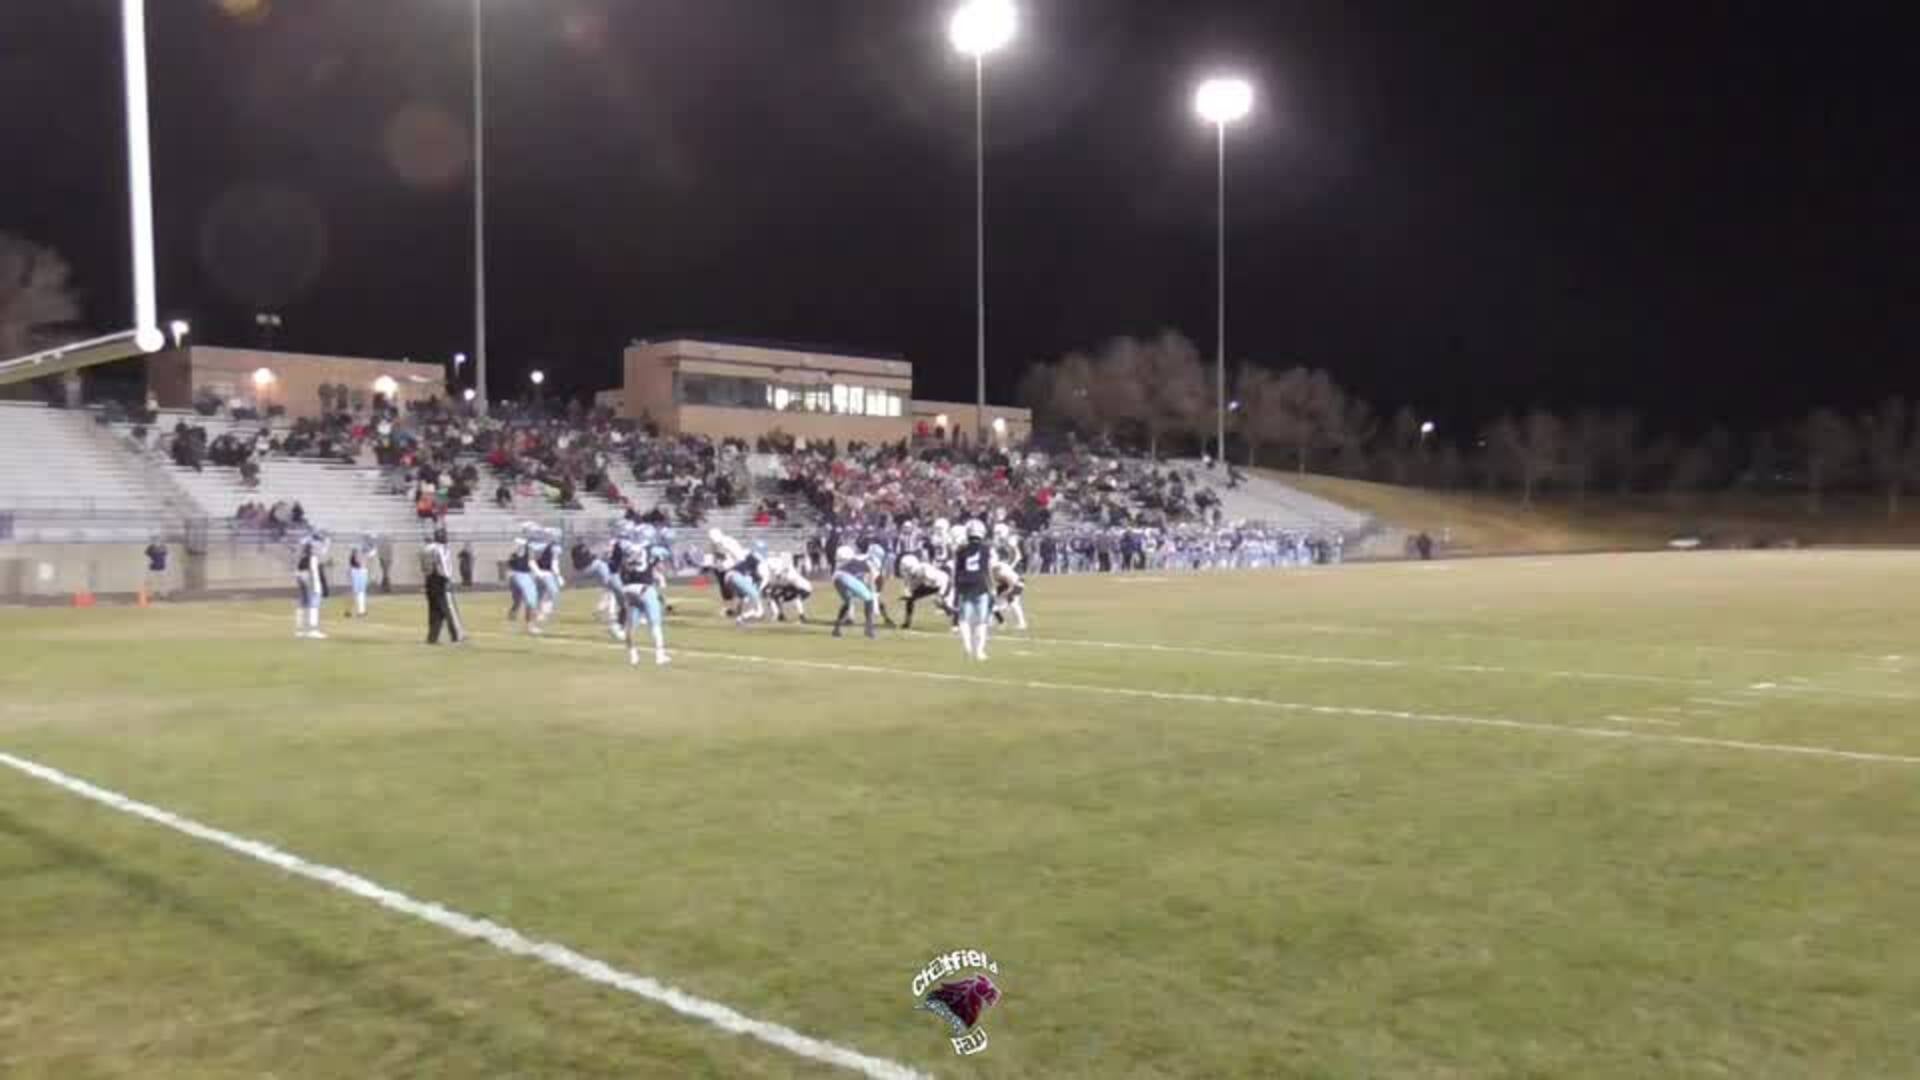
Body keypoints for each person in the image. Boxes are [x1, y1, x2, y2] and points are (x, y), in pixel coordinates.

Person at [617, 537, 673, 667]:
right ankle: (659, 655)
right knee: (655, 623)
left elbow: (621, 575)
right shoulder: (648, 554)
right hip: (645, 589)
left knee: (630, 627)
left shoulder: (625, 560)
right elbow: (660, 564)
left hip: (628, 591)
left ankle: (633, 656)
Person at [952, 520, 994, 661]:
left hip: (965, 585)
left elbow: (956, 571)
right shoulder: (986, 549)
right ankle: (979, 651)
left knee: (964, 619)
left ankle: (967, 647)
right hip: (981, 585)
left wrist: (956, 588)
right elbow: (987, 569)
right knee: (981, 621)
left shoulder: (960, 550)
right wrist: (992, 586)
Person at [419, 527, 465, 645]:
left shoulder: (426, 548)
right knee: (448, 609)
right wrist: (448, 578)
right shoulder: (442, 549)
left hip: (429, 580)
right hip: (440, 580)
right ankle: (456, 636)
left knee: (434, 610)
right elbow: (445, 565)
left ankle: (432, 638)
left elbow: (423, 566)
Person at [830, 544, 879, 640]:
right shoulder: (868, 563)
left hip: (836, 577)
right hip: (845, 576)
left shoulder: (855, 561)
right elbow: (870, 582)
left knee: (848, 602)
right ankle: (869, 628)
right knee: (869, 598)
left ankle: (836, 629)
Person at [896, 553, 955, 631]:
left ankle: (955, 613)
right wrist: (908, 595)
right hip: (929, 585)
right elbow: (911, 588)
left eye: (905, 567)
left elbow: (943, 580)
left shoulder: (925, 570)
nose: (903, 569)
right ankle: (907, 622)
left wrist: (941, 595)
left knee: (938, 601)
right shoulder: (910, 574)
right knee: (910, 600)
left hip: (943, 582)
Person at [292, 532, 330, 639]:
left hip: (300, 571)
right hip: (309, 573)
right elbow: (321, 554)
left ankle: (300, 629)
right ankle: (313, 629)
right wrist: (326, 544)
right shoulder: (313, 545)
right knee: (314, 600)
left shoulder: (304, 543)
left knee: (303, 602)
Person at [504, 532, 542, 635]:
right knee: (529, 601)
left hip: (517, 577)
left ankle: (511, 618)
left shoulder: (519, 551)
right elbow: (529, 562)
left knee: (518, 601)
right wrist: (538, 573)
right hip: (520, 576)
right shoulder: (525, 550)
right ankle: (529, 626)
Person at [344, 534, 375, 618]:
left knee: (360, 592)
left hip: (361, 571)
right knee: (357, 592)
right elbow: (360, 559)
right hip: (357, 571)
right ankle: (351, 610)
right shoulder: (360, 549)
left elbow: (368, 556)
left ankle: (360, 611)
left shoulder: (362, 549)